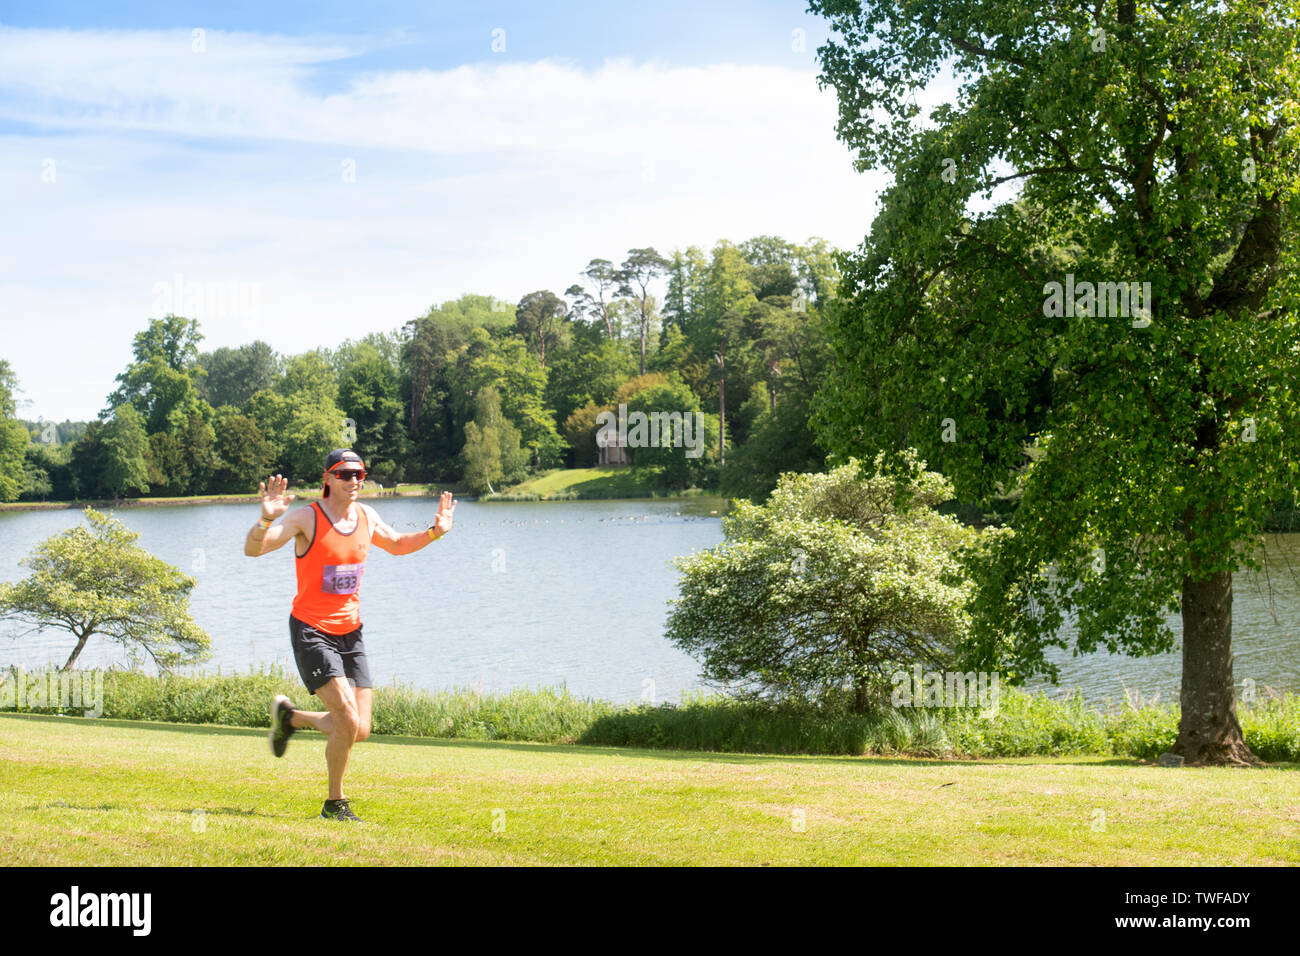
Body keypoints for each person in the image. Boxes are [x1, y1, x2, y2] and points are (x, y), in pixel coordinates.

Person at [244, 448, 456, 822]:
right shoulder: (305, 518)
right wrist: (264, 518)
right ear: (327, 478)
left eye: (359, 474)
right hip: (312, 630)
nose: (354, 480)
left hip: (351, 633)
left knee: (360, 728)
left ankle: (291, 719)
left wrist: (434, 532)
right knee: (346, 718)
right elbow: (253, 550)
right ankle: (334, 804)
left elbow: (397, 545)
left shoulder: (366, 516)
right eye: (345, 474)